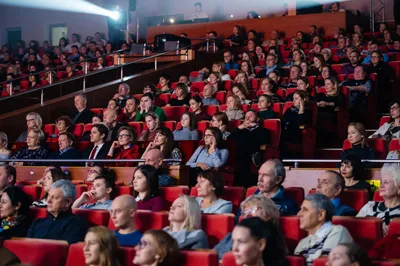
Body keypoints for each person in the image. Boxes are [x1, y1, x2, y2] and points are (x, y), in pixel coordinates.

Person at [215, 195, 283, 260]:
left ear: (268, 215)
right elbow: (212, 257)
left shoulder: (272, 239)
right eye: (244, 212)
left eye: (253, 209)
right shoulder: (230, 236)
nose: (247, 215)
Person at [295, 194, 353, 266]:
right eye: (300, 210)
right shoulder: (303, 242)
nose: (298, 214)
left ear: (321, 215)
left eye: (305, 210)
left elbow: (325, 263)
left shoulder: (337, 231)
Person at [27, 180, 88, 244]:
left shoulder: (76, 224)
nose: (48, 200)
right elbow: (26, 246)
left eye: (54, 197)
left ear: (68, 202)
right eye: (48, 196)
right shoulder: (37, 223)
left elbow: (65, 250)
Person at [229, 110, 271, 187]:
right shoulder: (240, 130)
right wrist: (239, 128)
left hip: (253, 150)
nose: (248, 117)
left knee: (244, 145)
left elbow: (264, 141)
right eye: (246, 116)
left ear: (257, 119)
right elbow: (229, 139)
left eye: (251, 115)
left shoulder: (264, 130)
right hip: (240, 153)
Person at [357, 164, 400, 235]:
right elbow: (356, 226)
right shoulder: (370, 205)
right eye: (381, 182)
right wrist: (377, 226)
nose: (381, 186)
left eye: (386, 182)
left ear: (398, 188)